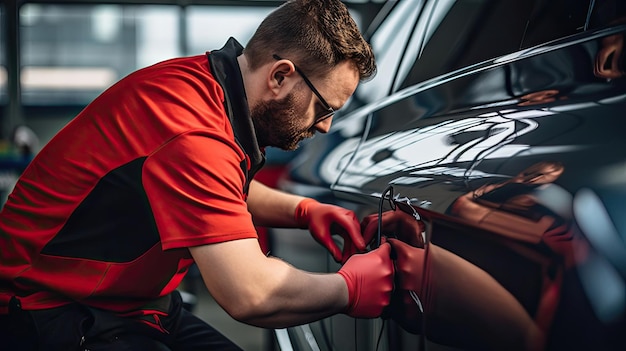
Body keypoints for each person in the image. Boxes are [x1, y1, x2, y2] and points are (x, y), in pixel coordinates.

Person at [0, 0, 394, 350]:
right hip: (46, 308)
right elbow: (252, 294)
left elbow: (213, 190)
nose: (324, 127)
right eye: (323, 108)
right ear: (280, 76)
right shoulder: (192, 130)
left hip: (132, 304)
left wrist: (304, 211)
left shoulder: (210, 89)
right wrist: (350, 288)